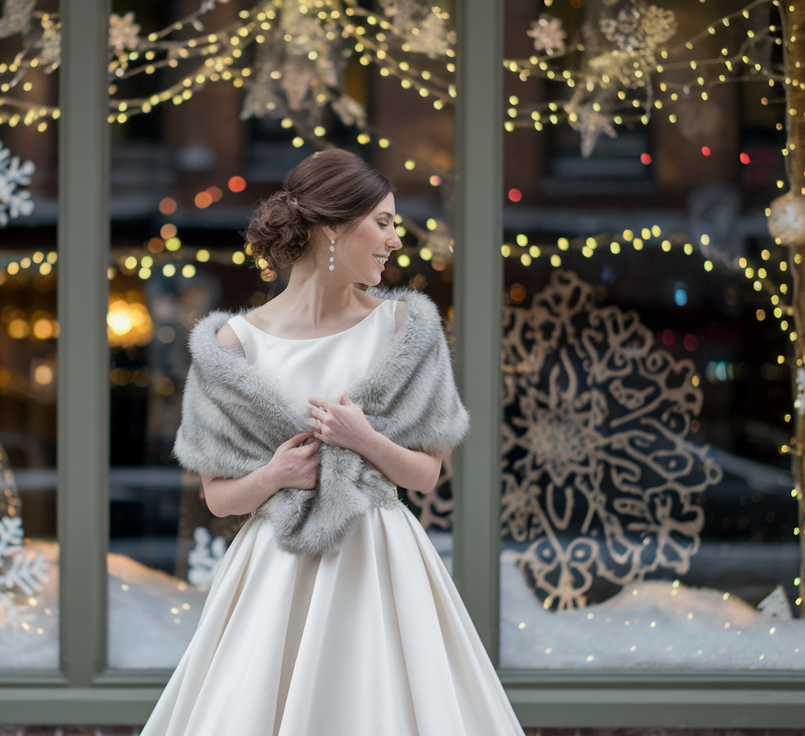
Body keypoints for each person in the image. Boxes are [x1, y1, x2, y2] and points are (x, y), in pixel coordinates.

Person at [142, 149, 523, 735]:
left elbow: (426, 475)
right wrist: (275, 477)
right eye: (384, 222)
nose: (396, 240)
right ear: (331, 228)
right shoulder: (232, 344)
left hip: (380, 564)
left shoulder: (405, 330)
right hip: (276, 570)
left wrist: (363, 439)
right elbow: (218, 499)